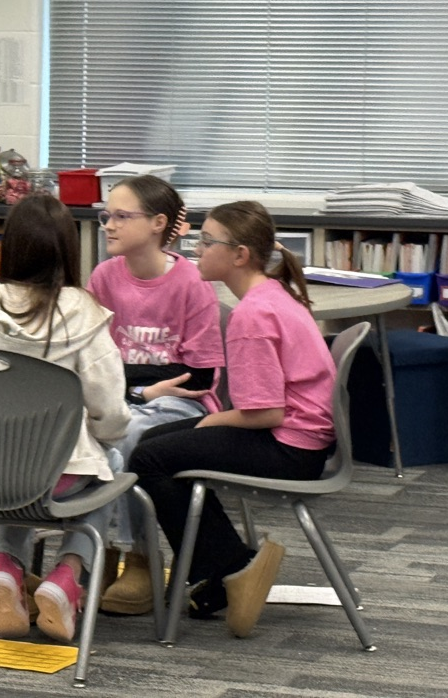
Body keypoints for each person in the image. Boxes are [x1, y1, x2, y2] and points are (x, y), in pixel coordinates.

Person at [129, 200, 336, 638]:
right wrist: (210, 423)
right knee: (155, 443)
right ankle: (224, 570)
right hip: (304, 437)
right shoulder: (272, 294)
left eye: (206, 242)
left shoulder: (251, 315)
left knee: (150, 460)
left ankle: (232, 567)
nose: (196, 250)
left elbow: (265, 413)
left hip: (289, 445)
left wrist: (211, 423)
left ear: (240, 255)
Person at [0, 193, 130, 643]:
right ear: (68, 249)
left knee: (17, 465)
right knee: (112, 464)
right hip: (56, 477)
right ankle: (67, 575)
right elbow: (110, 413)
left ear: (10, 246)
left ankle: (4, 565)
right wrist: (97, 439)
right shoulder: (85, 315)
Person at [86, 175, 225, 615]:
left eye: (122, 216)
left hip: (180, 403)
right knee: (84, 433)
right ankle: (97, 551)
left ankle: (140, 558)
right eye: (107, 215)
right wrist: (142, 384)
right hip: (129, 394)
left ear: (158, 224)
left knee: (130, 434)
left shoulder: (191, 282)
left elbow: (199, 374)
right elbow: (91, 360)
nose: (108, 224)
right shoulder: (105, 276)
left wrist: (131, 382)